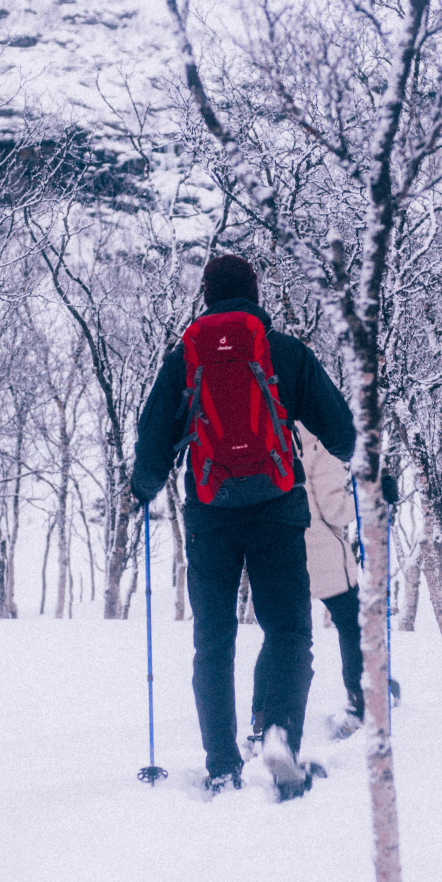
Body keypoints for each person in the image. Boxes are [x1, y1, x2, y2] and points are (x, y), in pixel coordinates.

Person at [131, 254, 355, 800]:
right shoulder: (282, 350)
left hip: (210, 511)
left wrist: (144, 486)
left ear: (206, 295)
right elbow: (343, 431)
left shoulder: (185, 356)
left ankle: (223, 765)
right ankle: (280, 734)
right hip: (278, 506)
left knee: (214, 639)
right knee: (289, 630)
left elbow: (153, 437)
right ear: (256, 293)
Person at [282, 422, 397, 740]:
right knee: (353, 624)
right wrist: (371, 497)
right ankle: (363, 699)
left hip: (280, 551)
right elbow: (334, 510)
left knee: (282, 638)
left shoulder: (276, 434)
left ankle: (265, 719)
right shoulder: (321, 445)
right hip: (322, 555)